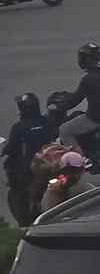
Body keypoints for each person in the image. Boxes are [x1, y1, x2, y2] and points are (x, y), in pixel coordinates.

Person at [4, 93, 55, 226]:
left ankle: (25, 220)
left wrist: (5, 150)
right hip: (49, 163)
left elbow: (12, 148)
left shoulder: (19, 127)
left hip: (30, 169)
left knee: (18, 189)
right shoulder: (46, 122)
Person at [58, 43, 100, 152]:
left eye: (82, 57)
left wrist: (59, 107)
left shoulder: (88, 79)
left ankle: (80, 161)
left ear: (87, 60)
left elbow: (74, 101)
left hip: (96, 119)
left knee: (64, 130)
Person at [39, 151, 91, 215]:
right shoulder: (54, 190)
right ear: (63, 171)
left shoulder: (87, 188)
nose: (75, 175)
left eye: (78, 170)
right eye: (71, 170)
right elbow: (47, 213)